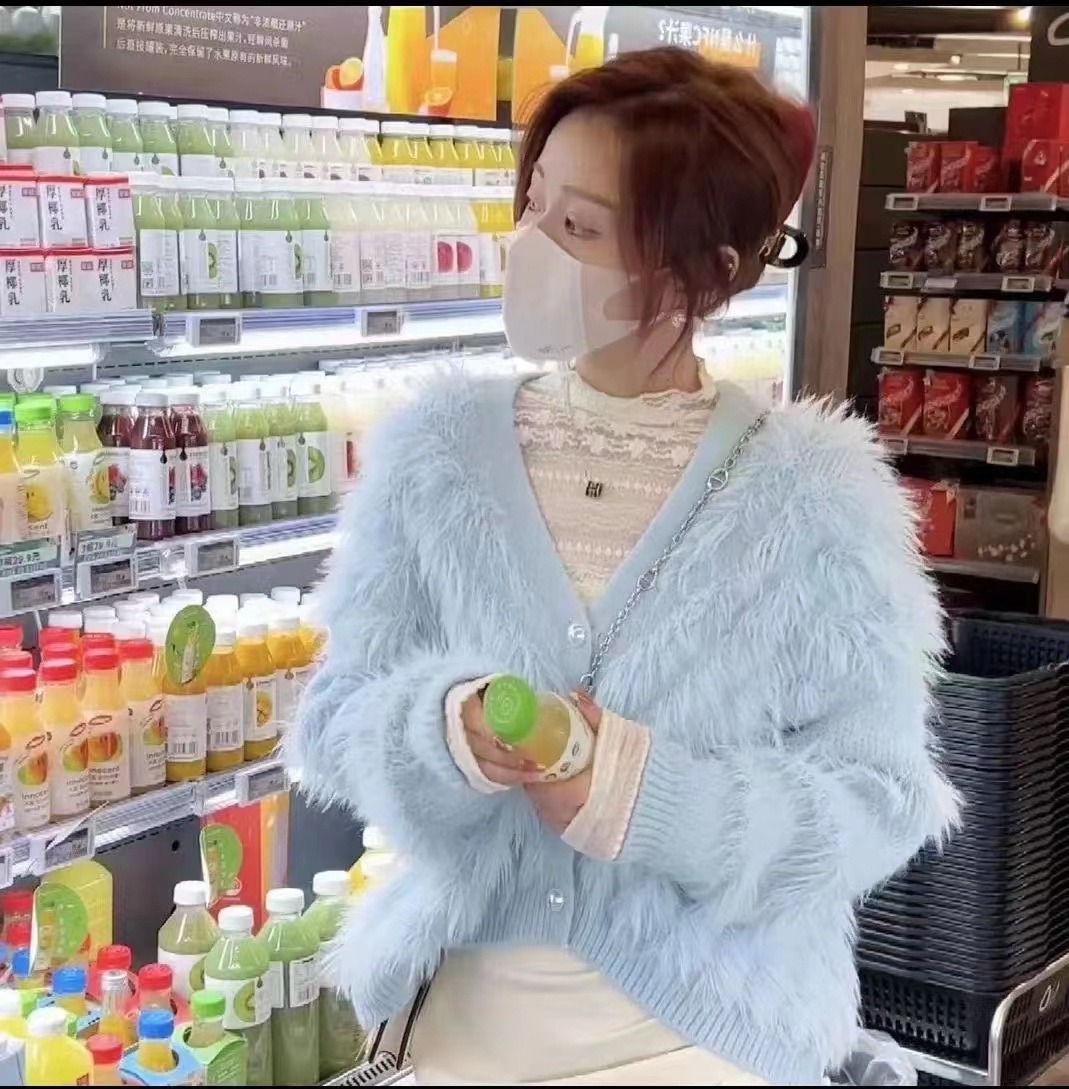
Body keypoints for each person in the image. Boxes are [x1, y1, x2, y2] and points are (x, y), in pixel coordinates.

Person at [289, 47, 958, 1086]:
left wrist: (659, 802)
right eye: (534, 204)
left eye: (581, 227)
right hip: (458, 1021)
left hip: (707, 1035)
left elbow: (876, 800)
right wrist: (444, 728)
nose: (532, 245)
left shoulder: (815, 496)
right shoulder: (437, 451)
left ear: (702, 268)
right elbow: (332, 721)